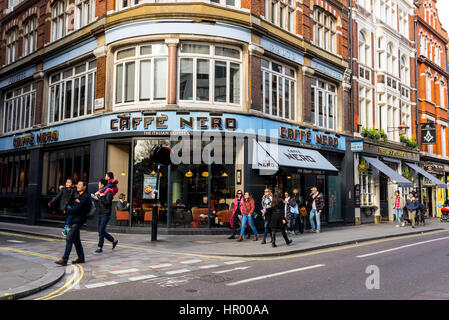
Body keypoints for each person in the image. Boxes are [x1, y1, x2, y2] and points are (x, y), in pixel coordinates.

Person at [55, 181, 91, 266]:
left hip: (78, 221)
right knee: (76, 240)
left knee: (69, 238)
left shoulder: (85, 197)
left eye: (80, 185)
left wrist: (68, 209)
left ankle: (64, 259)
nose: (78, 186)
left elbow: (77, 209)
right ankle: (81, 258)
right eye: (77, 184)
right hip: (74, 220)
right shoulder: (78, 195)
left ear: (84, 187)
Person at [93, 179, 119, 253]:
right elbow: (99, 203)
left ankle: (99, 247)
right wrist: (96, 197)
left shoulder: (109, 192)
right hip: (101, 213)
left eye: (99, 184)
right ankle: (114, 241)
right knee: (101, 231)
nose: (98, 185)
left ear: (103, 185)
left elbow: (107, 203)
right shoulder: (101, 192)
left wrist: (101, 197)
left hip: (106, 214)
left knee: (101, 231)